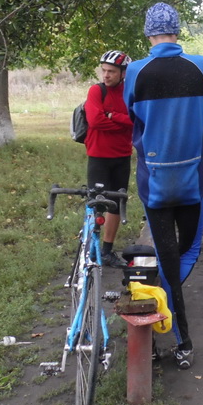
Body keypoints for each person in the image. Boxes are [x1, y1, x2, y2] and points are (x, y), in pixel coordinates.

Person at [123, 2, 203, 369]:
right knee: (187, 251)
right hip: (192, 175)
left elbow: (133, 115)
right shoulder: (202, 66)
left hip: (154, 179)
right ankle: (180, 336)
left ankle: (149, 301)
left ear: (148, 33)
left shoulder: (136, 70)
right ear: (178, 30)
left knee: (166, 257)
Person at [84, 49, 133, 267]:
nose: (106, 75)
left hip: (122, 155)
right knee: (96, 204)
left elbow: (136, 120)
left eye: (111, 71)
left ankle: (106, 251)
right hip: (98, 155)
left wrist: (112, 116)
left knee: (116, 204)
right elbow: (95, 121)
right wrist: (122, 122)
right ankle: (91, 249)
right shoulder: (96, 91)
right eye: (104, 70)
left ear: (123, 73)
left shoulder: (130, 92)